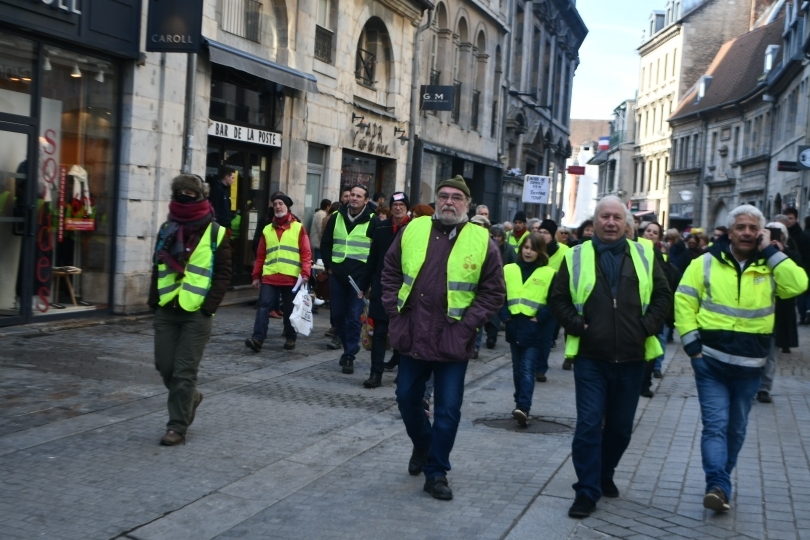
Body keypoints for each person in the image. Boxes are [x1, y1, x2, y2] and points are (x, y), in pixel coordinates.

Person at [675, 205, 806, 512]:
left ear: (760, 233)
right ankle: (718, 486)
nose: (746, 232)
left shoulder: (771, 265)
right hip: (711, 363)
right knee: (715, 425)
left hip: (750, 366)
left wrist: (771, 252)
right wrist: (693, 345)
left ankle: (721, 482)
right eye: (740, 227)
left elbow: (798, 285)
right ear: (730, 232)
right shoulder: (706, 262)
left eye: (752, 228)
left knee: (736, 428)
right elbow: (684, 299)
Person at [381, 175, 505, 501]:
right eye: (443, 196)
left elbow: (493, 293)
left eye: (456, 198)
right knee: (407, 397)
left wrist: (467, 327)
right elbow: (391, 270)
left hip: (453, 340)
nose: (449, 202)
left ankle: (436, 472)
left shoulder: (482, 240)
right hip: (413, 334)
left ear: (467, 204)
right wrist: (395, 313)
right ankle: (423, 444)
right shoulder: (414, 228)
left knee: (448, 411)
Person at [550, 195, 671, 518]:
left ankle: (605, 473)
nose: (611, 223)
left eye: (617, 218)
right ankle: (586, 491)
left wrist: (646, 326)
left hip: (633, 358)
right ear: (595, 222)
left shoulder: (645, 254)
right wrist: (578, 325)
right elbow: (557, 298)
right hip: (591, 356)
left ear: (627, 225)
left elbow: (663, 295)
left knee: (620, 429)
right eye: (605, 217)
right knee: (589, 425)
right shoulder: (575, 256)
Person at [149, 174, 232, 446]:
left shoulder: (216, 231)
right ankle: (191, 398)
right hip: (167, 308)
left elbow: (223, 273)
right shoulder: (167, 227)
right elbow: (157, 265)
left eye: (190, 191)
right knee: (165, 366)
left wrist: (209, 307)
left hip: (197, 311)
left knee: (184, 371)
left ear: (200, 196)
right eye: (180, 190)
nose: (185, 194)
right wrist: (154, 301)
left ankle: (177, 427)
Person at [321, 184, 377, 374]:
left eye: (358, 196)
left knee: (354, 316)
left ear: (366, 200)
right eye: (352, 195)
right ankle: (350, 346)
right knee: (338, 316)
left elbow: (376, 251)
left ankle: (349, 355)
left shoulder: (373, 220)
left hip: (359, 278)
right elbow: (326, 243)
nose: (354, 198)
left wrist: (369, 277)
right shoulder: (336, 217)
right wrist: (329, 266)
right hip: (337, 274)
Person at [500, 233, 556, 426]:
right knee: (517, 369)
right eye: (526, 247)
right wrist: (505, 316)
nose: (528, 252)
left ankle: (524, 407)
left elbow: (553, 301)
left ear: (540, 251)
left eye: (533, 248)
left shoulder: (548, 273)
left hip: (534, 328)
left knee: (526, 369)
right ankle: (519, 402)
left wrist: (539, 317)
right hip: (514, 325)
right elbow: (499, 295)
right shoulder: (509, 269)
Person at [246, 193, 312, 352]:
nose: (277, 206)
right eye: (275, 204)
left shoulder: (298, 228)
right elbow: (261, 255)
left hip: (290, 277)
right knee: (263, 306)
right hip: (270, 276)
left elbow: (306, 252)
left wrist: (305, 273)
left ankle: (290, 337)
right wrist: (256, 275)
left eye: (280, 203)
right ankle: (258, 338)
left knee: (289, 309)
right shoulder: (267, 229)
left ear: (287, 207)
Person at [364, 191, 410, 388]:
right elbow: (372, 259)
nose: (398, 207)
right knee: (380, 332)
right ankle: (376, 373)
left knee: (403, 332)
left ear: (407, 207)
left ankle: (402, 371)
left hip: (406, 288)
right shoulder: (381, 227)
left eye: (401, 204)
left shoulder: (414, 228)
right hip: (383, 286)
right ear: (390, 207)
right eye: (395, 204)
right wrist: (364, 284)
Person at [756, 221, 801, 403]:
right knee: (756, 353)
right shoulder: (757, 253)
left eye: (779, 236)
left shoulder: (789, 255)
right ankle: (751, 385)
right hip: (756, 313)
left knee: (771, 355)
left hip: (778, 314)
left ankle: (764, 388)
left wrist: (779, 253)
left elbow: (797, 276)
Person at [783, 208, 810, 325]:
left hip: (801, 268)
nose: (788, 221)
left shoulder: (803, 236)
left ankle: (804, 315)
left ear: (796, 219)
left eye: (791, 218)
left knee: (803, 292)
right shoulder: (781, 234)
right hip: (784, 270)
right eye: (786, 218)